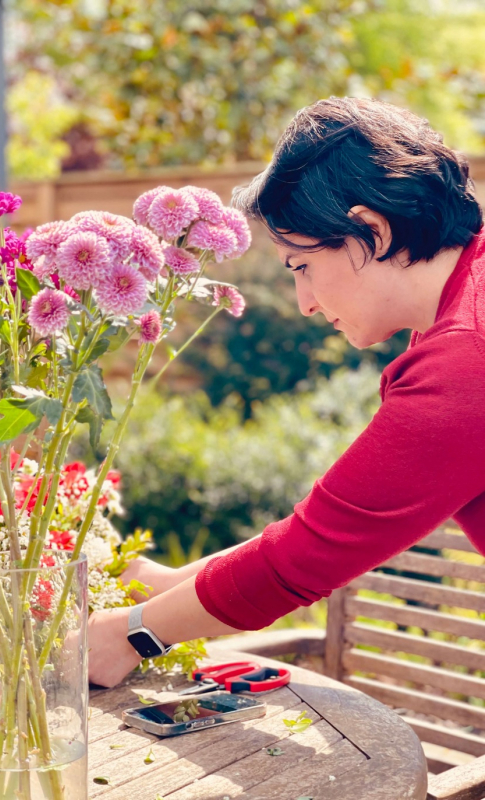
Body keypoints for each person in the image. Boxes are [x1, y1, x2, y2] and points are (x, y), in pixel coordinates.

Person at [88, 96, 485, 688]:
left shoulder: (465, 358)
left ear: (369, 231)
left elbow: (305, 558)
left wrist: (132, 632)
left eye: (300, 266)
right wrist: (163, 586)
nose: (304, 303)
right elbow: (322, 530)